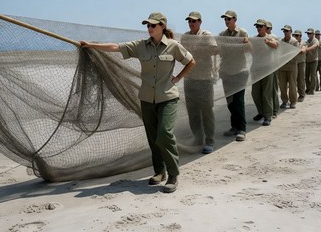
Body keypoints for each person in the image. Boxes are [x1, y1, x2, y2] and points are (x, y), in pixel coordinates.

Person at [80, 12, 195, 193]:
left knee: (164, 134)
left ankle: (173, 174)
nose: (149, 28)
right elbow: (115, 47)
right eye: (148, 25)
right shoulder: (141, 46)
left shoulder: (174, 46)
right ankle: (160, 172)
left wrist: (178, 77)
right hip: (147, 99)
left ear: (162, 26)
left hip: (168, 98)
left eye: (153, 25)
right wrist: (92, 45)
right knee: (152, 138)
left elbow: (191, 62)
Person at [181, 11, 218, 154]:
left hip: (204, 80)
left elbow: (214, 50)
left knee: (207, 111)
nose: (191, 23)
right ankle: (198, 138)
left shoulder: (206, 36)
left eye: (194, 21)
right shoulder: (185, 37)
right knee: (193, 112)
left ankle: (210, 141)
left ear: (200, 22)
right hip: (189, 79)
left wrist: (197, 50)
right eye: (189, 21)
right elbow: (182, 53)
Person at [219, 10, 249, 142]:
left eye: (229, 19)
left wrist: (246, 43)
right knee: (230, 102)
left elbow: (249, 48)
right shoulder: (222, 34)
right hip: (226, 72)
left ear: (235, 20)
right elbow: (219, 50)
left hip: (240, 71)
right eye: (225, 19)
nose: (226, 21)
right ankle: (234, 126)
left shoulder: (242, 32)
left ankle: (242, 129)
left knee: (239, 101)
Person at [251, 19, 278, 126]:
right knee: (255, 93)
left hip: (267, 69)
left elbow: (276, 45)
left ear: (265, 27)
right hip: (256, 69)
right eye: (257, 26)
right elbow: (249, 49)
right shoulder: (255, 39)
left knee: (266, 94)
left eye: (260, 26)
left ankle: (268, 116)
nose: (258, 28)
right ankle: (261, 112)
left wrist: (267, 42)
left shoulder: (270, 37)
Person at [278, 25, 299, 109]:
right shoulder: (281, 41)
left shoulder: (294, 42)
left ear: (291, 31)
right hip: (282, 66)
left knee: (292, 85)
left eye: (287, 31)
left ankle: (293, 101)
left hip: (292, 66)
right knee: (282, 85)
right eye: (284, 31)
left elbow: (296, 53)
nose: (285, 32)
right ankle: (284, 101)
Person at [265, 21, 280, 117]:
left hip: (273, 66)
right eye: (266, 28)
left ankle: (275, 110)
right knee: (266, 91)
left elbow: (276, 47)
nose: (267, 29)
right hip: (265, 66)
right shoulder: (261, 37)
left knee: (274, 88)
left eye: (268, 28)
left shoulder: (274, 37)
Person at [292, 30, 307, 101]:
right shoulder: (293, 42)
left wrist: (296, 50)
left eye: (297, 35)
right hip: (294, 62)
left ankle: (301, 95)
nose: (295, 37)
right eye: (294, 35)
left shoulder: (303, 42)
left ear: (300, 36)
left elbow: (303, 50)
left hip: (301, 63)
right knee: (293, 80)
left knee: (300, 79)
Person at [304, 28, 319, 95]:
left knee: (313, 75)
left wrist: (306, 49)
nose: (308, 34)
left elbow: (315, 46)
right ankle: (308, 88)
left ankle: (312, 89)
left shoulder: (315, 40)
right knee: (306, 75)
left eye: (309, 33)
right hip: (307, 60)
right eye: (307, 33)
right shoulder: (307, 41)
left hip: (314, 60)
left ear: (313, 34)